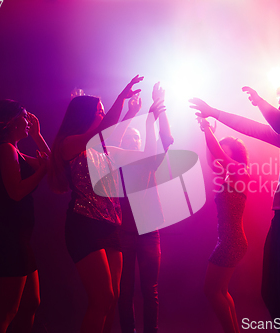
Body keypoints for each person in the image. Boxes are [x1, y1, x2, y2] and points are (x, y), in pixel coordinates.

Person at [190, 79, 280, 332]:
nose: (278, 105)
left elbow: (279, 122)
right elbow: (252, 128)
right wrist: (214, 112)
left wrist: (259, 101)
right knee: (270, 294)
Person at [49, 75, 164, 333]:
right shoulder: (70, 144)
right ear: (85, 116)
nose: (103, 115)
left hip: (110, 227)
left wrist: (147, 119)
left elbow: (146, 155)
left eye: (104, 111)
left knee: (111, 301)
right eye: (100, 111)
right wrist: (122, 100)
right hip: (84, 226)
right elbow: (102, 132)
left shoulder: (103, 148)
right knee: (101, 300)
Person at [0, 100, 50, 333]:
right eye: (25, 117)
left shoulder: (14, 148)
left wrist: (38, 137)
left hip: (18, 238)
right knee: (5, 312)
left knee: (31, 303)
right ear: (11, 121)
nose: (29, 122)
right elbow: (16, 191)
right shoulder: (5, 149)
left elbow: (50, 165)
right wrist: (40, 172)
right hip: (6, 238)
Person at [116, 83, 173, 333]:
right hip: (125, 233)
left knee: (150, 290)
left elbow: (167, 139)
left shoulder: (148, 160)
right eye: (131, 138)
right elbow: (113, 140)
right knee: (125, 291)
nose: (135, 141)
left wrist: (159, 109)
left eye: (137, 138)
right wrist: (140, 115)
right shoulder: (117, 163)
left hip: (148, 232)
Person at [196, 116, 249, 333]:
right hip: (230, 241)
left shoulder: (240, 172)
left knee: (211, 291)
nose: (221, 154)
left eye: (225, 151)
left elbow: (217, 153)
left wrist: (208, 128)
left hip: (231, 241)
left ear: (234, 155)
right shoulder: (228, 174)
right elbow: (212, 159)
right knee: (222, 291)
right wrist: (205, 132)